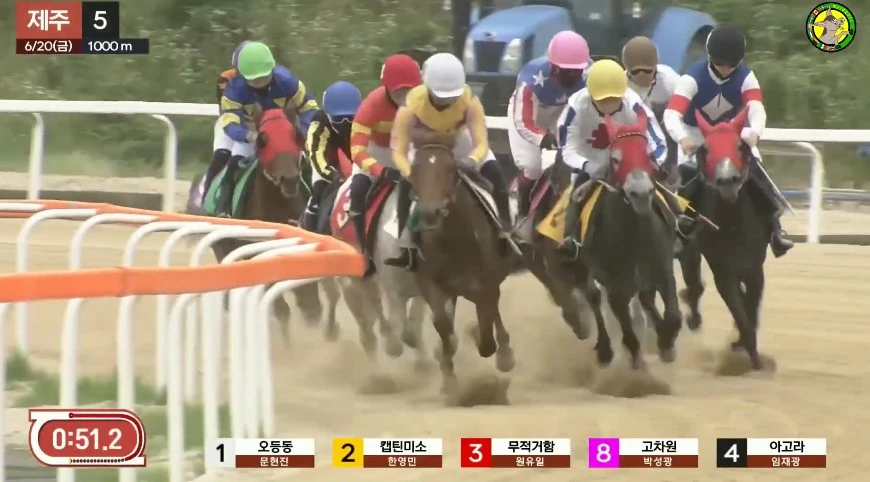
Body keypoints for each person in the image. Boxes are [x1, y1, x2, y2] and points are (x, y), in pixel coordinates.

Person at [662, 26, 793, 257]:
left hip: (731, 132)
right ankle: (681, 230)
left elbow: (756, 108)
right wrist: (682, 137)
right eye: (719, 63)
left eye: (731, 65)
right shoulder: (691, 78)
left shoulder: (746, 77)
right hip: (696, 132)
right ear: (710, 57)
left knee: (756, 165)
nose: (725, 69)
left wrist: (755, 131)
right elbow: (671, 113)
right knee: (686, 172)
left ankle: (775, 230)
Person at [385, 52, 512, 271]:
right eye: (440, 97)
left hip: (459, 142)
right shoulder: (410, 106)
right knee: (405, 184)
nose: (446, 102)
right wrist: (410, 172)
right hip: (423, 149)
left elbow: (481, 142)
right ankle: (406, 242)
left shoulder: (470, 101)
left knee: (495, 171)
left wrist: (472, 160)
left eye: (452, 97)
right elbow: (398, 150)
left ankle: (506, 230)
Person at [556, 59, 673, 259]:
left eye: (614, 99)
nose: (609, 105)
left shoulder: (633, 103)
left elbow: (658, 141)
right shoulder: (575, 106)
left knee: (661, 187)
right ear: (590, 93)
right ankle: (570, 239)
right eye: (603, 100)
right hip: (589, 164)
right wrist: (587, 166)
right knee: (576, 195)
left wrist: (653, 162)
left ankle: (678, 224)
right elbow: (567, 148)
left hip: (629, 164)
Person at [214, 41, 319, 217]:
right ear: (242, 75)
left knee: (306, 162)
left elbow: (310, 108)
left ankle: (316, 205)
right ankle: (223, 208)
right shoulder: (233, 90)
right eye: (254, 79)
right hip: (250, 132)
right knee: (235, 163)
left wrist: (303, 129)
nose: (260, 82)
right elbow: (229, 121)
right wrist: (249, 135)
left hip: (283, 133)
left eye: (264, 77)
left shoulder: (288, 82)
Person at [345, 54, 422, 275]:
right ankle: (364, 253)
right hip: (376, 153)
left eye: (409, 90)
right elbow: (357, 149)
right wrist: (381, 170)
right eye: (399, 91)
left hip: (409, 152)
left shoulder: (425, 100)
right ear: (386, 87)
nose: (404, 97)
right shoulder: (371, 105)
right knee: (357, 191)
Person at [509, 30, 590, 224]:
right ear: (552, 66)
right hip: (530, 115)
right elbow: (524, 122)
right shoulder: (530, 79)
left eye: (576, 71)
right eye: (566, 71)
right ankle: (522, 209)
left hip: (565, 110)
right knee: (533, 167)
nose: (572, 76)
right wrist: (543, 137)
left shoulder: (591, 74)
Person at [301, 81, 362, 232]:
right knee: (319, 188)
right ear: (328, 115)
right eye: (338, 119)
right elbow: (317, 157)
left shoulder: (364, 118)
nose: (345, 123)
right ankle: (309, 225)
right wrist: (334, 176)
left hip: (355, 155)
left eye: (350, 118)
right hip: (327, 161)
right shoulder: (319, 124)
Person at [204, 41, 251, 206]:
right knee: (221, 156)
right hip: (230, 121)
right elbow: (227, 108)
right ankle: (206, 198)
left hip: (254, 125)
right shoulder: (226, 78)